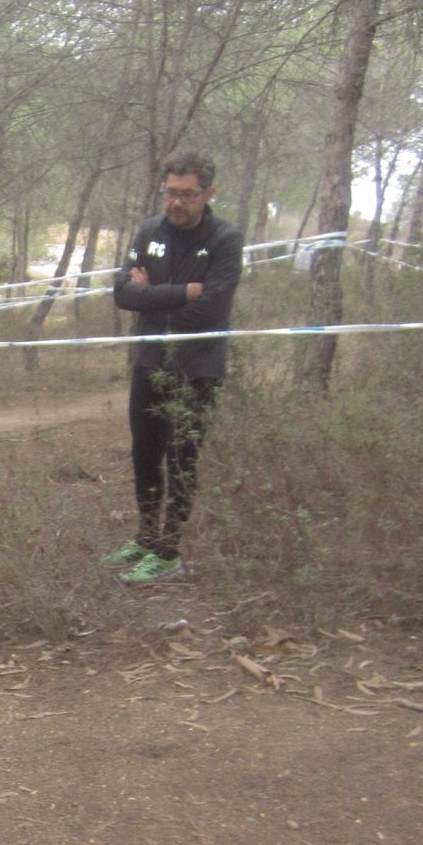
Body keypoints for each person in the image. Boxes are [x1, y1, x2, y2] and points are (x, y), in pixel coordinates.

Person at [106, 149, 244, 585]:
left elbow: (211, 309)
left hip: (198, 368)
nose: (176, 203)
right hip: (150, 363)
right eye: (170, 192)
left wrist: (156, 300)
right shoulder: (150, 230)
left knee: (180, 459)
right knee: (144, 454)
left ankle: (169, 554)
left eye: (187, 194)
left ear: (208, 193)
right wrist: (183, 292)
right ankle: (146, 538)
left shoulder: (225, 238)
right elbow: (123, 293)